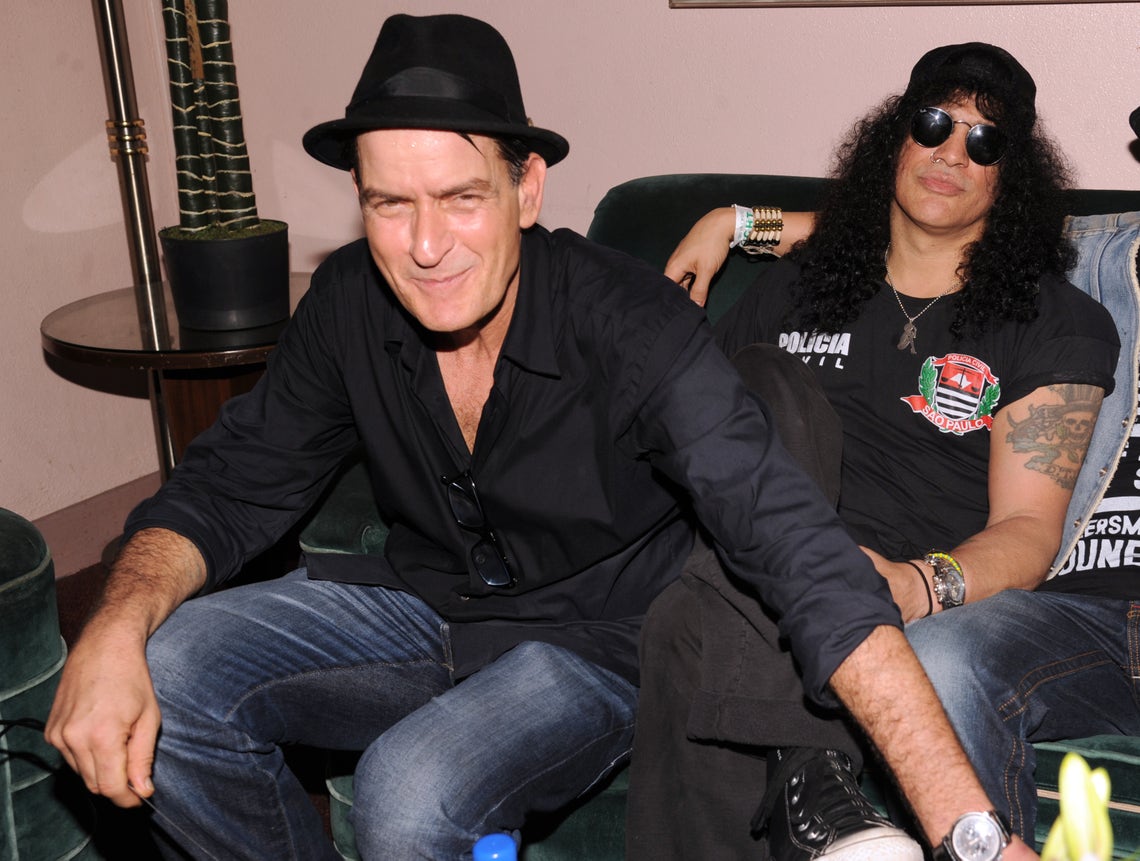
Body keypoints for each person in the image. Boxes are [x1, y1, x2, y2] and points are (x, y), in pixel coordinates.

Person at [46, 16, 1034, 860]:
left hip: (598, 639)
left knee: (410, 787)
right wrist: (114, 625)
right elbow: (228, 482)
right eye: (390, 203)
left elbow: (800, 552)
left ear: (525, 189)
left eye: (460, 198)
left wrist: (967, 827)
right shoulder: (349, 301)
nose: (425, 246)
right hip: (423, 604)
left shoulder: (630, 323)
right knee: (169, 666)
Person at [627, 43, 1127, 860]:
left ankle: (807, 769)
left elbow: (1030, 530)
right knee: (762, 396)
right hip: (749, 563)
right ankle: (811, 768)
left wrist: (915, 583)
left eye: (985, 141)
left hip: (881, 590)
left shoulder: (1053, 320)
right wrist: (736, 222)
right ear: (894, 138)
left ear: (1010, 178)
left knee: (689, 618)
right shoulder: (796, 285)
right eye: (933, 123)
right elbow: (685, 443)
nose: (952, 151)